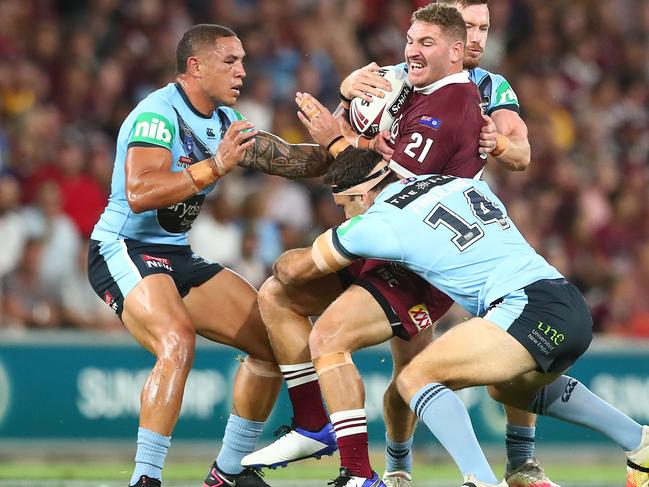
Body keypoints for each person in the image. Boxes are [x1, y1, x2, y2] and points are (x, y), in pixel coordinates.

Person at [244, 2, 541, 487]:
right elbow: (344, 136)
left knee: (402, 365)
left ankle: (409, 470)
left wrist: (502, 144)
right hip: (376, 236)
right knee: (277, 293)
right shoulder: (393, 78)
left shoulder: (480, 91)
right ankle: (318, 427)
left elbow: (398, 189)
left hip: (424, 252)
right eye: (469, 27)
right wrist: (345, 104)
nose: (478, 38)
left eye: (483, 29)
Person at [271, 146, 649, 487]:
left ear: (360, 195)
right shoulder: (451, 181)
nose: (344, 213)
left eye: (344, 205)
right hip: (564, 300)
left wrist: (284, 259)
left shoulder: (377, 221)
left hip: (524, 306)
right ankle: (639, 441)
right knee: (508, 387)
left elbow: (293, 271)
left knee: (416, 375)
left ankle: (480, 480)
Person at [87, 24, 333, 487]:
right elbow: (140, 192)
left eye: (242, 61)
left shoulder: (224, 122)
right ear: (195, 67)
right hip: (123, 247)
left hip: (175, 253)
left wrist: (344, 141)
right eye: (230, 61)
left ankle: (228, 473)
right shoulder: (156, 115)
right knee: (177, 341)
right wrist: (216, 166)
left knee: (272, 342)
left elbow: (297, 162)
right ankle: (146, 479)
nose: (242, 71)